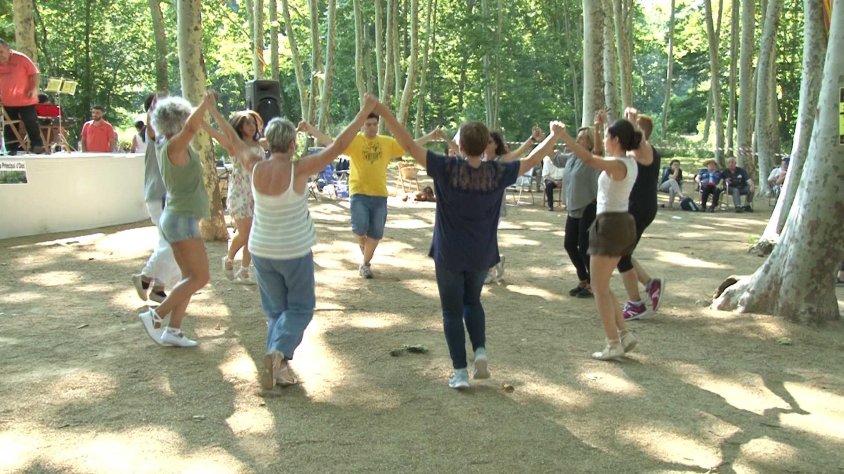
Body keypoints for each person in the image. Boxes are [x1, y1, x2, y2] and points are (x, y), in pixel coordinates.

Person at [376, 99, 563, 389]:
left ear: (460, 146)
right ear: (486, 145)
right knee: (472, 302)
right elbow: (532, 159)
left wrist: (384, 112)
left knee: (451, 311)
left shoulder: (447, 168)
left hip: (449, 253)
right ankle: (481, 351)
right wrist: (554, 136)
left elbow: (409, 145)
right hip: (481, 254)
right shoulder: (496, 172)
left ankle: (460, 372)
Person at [233, 96, 378, 389]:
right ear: (292, 144)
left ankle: (278, 367)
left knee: (276, 311)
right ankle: (278, 352)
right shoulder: (298, 169)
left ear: (269, 142)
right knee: (300, 308)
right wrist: (364, 112)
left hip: (260, 251)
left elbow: (231, 140)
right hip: (293, 251)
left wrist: (210, 111)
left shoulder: (255, 166)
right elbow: (339, 145)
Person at [558, 117, 652, 360]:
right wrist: (601, 127)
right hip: (618, 224)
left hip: (611, 225)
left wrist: (563, 135)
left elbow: (590, 158)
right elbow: (597, 153)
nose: (605, 140)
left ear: (616, 140)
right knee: (603, 285)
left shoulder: (618, 164)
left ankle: (613, 343)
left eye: (608, 136)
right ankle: (623, 335)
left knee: (598, 288)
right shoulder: (628, 161)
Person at [298, 117, 437, 279]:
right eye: (368, 124)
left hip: (380, 195)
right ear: (363, 126)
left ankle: (365, 264)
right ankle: (365, 250)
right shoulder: (354, 141)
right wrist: (310, 129)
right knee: (359, 229)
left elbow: (409, 146)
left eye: (374, 124)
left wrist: (429, 136)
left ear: (378, 125)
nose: (372, 127)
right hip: (359, 193)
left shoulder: (387, 142)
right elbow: (331, 143)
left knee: (375, 234)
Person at [137, 91, 220, 348]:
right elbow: (192, 127)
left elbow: (189, 128)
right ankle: (156, 316)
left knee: (188, 277)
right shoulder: (173, 145)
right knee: (200, 278)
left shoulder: (168, 144)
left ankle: (173, 330)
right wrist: (204, 104)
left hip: (179, 217)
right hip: (180, 219)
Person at [608, 110, 664, 321]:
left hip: (639, 209)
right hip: (635, 208)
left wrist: (630, 121)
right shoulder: (636, 152)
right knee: (623, 254)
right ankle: (650, 285)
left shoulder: (645, 150)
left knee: (621, 255)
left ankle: (636, 303)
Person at [132, 93, 180, 305]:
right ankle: (145, 278)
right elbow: (151, 128)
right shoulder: (156, 134)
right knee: (173, 241)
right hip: (160, 195)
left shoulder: (174, 136)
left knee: (171, 242)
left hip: (170, 195)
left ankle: (158, 288)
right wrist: (153, 107)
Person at [213, 110, 267, 285]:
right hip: (239, 194)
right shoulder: (234, 145)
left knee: (253, 235)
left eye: (253, 123)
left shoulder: (260, 144)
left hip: (256, 194)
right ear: (239, 126)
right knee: (245, 234)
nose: (252, 126)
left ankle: (244, 271)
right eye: (247, 123)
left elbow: (280, 140)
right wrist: (209, 113)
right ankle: (229, 259)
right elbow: (217, 132)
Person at [560, 125, 601, 298]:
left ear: (590, 142)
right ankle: (583, 279)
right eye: (577, 137)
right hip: (573, 206)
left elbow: (598, 149)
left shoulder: (592, 158)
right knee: (569, 244)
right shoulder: (572, 158)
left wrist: (597, 127)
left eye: (582, 138)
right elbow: (555, 158)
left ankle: (592, 284)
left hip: (589, 206)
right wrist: (540, 141)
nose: (578, 140)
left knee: (584, 246)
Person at [0, 39, 44, 154]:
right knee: (9, 126)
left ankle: (37, 145)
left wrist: (34, 88)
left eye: (1, 52)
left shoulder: (21, 58)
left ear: (8, 49)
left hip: (26, 100)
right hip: (7, 101)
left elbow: (35, 73)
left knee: (31, 122)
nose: (0, 56)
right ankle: (11, 149)